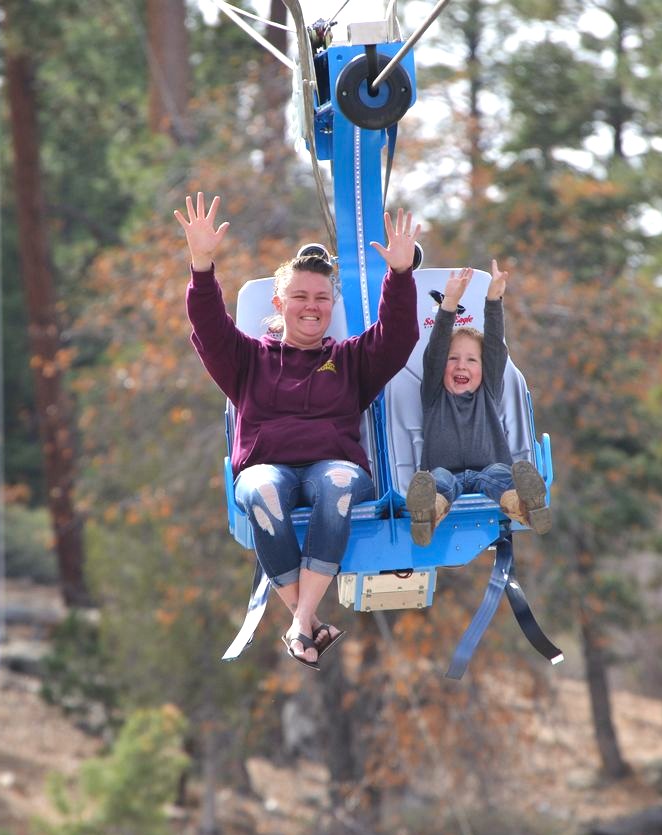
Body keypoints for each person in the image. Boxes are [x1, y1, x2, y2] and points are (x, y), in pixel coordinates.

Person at [175, 192, 419, 668]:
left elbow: (399, 337)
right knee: (262, 489)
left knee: (339, 483)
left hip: (335, 469)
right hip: (267, 469)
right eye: (301, 297)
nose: (312, 307)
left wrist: (401, 275)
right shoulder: (247, 360)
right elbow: (208, 327)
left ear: (332, 304)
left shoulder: (350, 361)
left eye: (322, 299)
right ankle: (306, 623)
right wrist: (201, 266)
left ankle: (300, 621)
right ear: (279, 301)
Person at [406, 262, 552, 546]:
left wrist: (493, 300)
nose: (461, 365)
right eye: (453, 359)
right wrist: (449, 305)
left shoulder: (489, 391)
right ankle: (426, 514)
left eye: (471, 360)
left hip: (488, 470)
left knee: (502, 477)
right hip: (445, 472)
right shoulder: (434, 393)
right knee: (437, 483)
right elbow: (435, 350)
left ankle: (529, 507)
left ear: (484, 369)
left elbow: (496, 346)